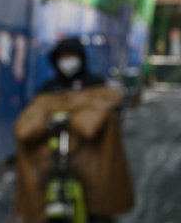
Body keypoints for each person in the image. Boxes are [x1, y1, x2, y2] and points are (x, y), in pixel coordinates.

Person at [14, 37, 134, 223]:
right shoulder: (49, 89)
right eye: (63, 57)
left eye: (72, 56)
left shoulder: (96, 85)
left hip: (90, 161)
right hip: (55, 160)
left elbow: (94, 123)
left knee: (97, 206)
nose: (68, 62)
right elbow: (26, 127)